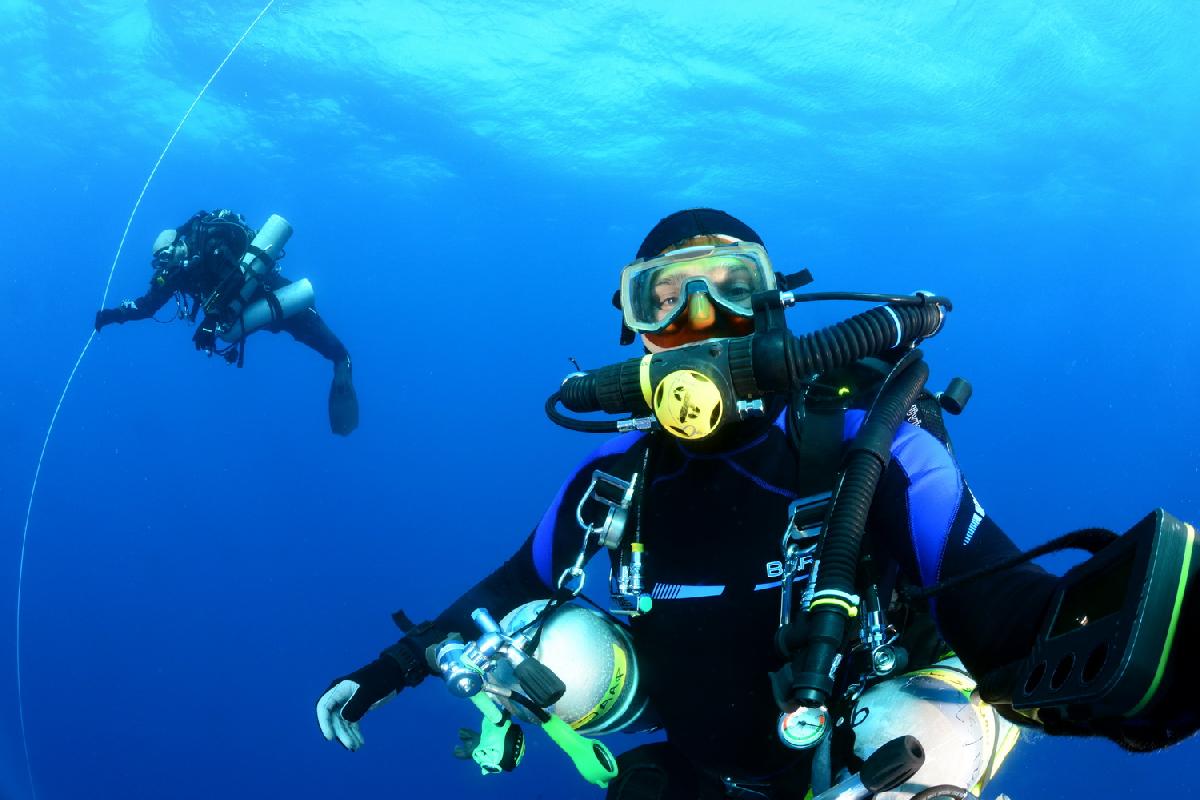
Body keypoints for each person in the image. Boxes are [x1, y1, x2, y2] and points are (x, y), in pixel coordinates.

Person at [315, 209, 1197, 798]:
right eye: (663, 297)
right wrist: (390, 668)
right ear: (636, 332)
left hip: (876, 755)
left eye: (729, 286)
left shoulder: (875, 450)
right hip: (706, 759)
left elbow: (1009, 619)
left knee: (911, 738)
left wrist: (1155, 675)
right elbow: (507, 588)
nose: (699, 316)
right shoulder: (611, 482)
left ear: (774, 309)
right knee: (555, 646)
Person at [95, 209, 359, 436]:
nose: (166, 266)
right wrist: (114, 315)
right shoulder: (176, 274)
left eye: (167, 256)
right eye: (161, 262)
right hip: (240, 313)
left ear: (178, 243)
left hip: (265, 292)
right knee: (282, 327)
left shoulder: (209, 244)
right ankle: (339, 359)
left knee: (315, 335)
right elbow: (147, 305)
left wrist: (209, 321)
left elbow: (237, 278)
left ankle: (341, 364)